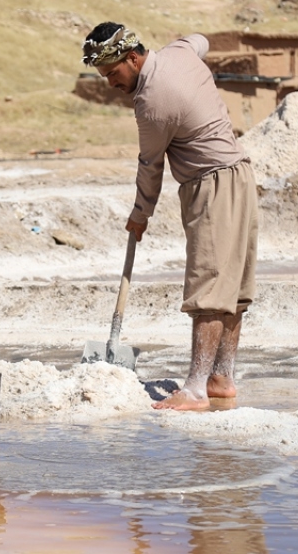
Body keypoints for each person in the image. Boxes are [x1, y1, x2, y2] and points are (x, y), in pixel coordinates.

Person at [82, 22, 258, 411]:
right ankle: (221, 378)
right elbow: (203, 39)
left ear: (132, 58)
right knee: (232, 290)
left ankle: (195, 389)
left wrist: (139, 214)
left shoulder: (152, 103)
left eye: (113, 73)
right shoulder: (180, 52)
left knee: (209, 289)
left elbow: (151, 166)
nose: (111, 83)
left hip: (210, 186)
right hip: (242, 175)